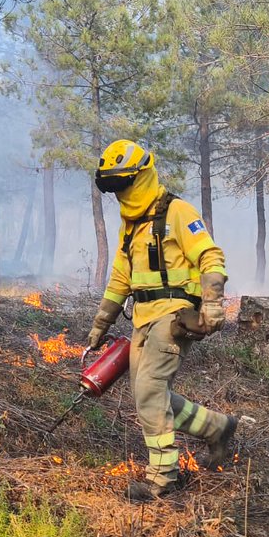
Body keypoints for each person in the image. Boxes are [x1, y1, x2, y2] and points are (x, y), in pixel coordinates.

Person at [87, 139, 239, 502]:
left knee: (149, 391)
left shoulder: (177, 212)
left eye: (122, 183)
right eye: (113, 186)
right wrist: (101, 323)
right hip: (142, 319)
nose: (118, 192)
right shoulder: (131, 225)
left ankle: (163, 478)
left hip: (174, 318)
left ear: (140, 176)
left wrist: (214, 303)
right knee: (153, 395)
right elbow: (121, 278)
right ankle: (218, 427)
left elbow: (211, 255)